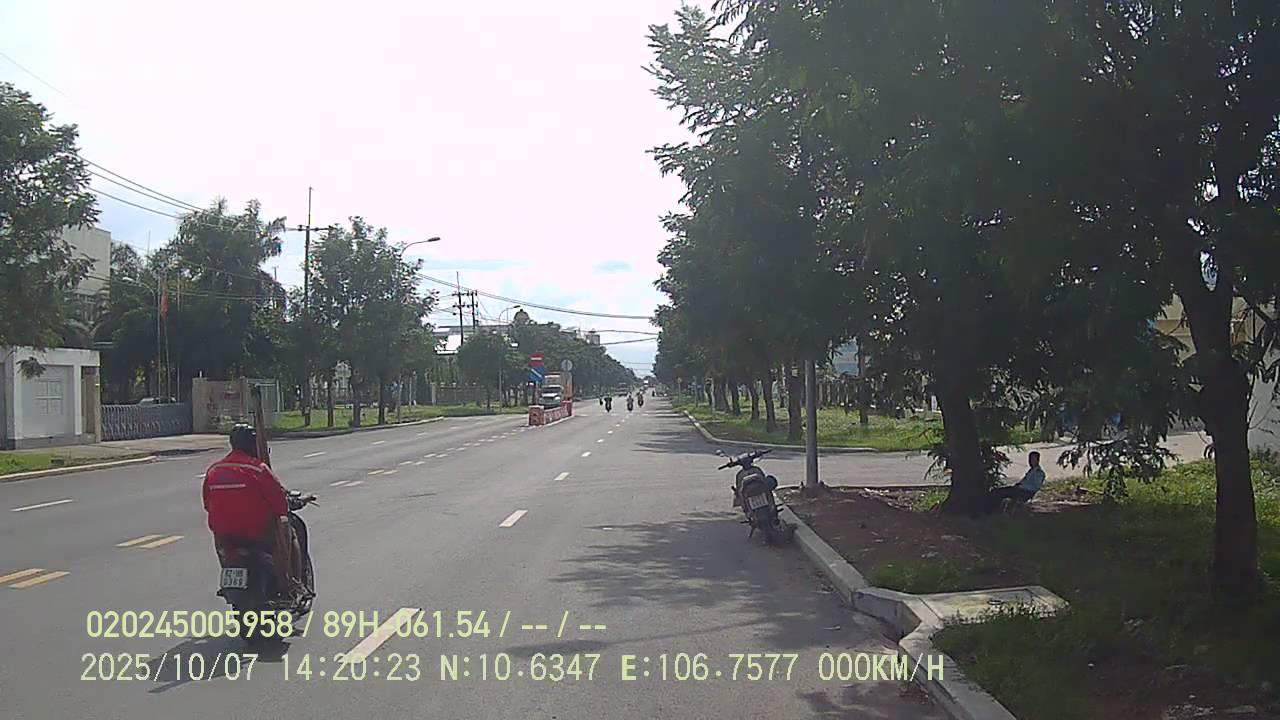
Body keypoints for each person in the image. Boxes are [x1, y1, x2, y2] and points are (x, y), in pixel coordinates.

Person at [203, 424, 309, 602]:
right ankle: (290, 584)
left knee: (223, 548)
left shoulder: (214, 470)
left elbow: (207, 504)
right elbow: (280, 505)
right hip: (257, 534)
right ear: (253, 444)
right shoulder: (258, 469)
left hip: (225, 535)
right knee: (289, 532)